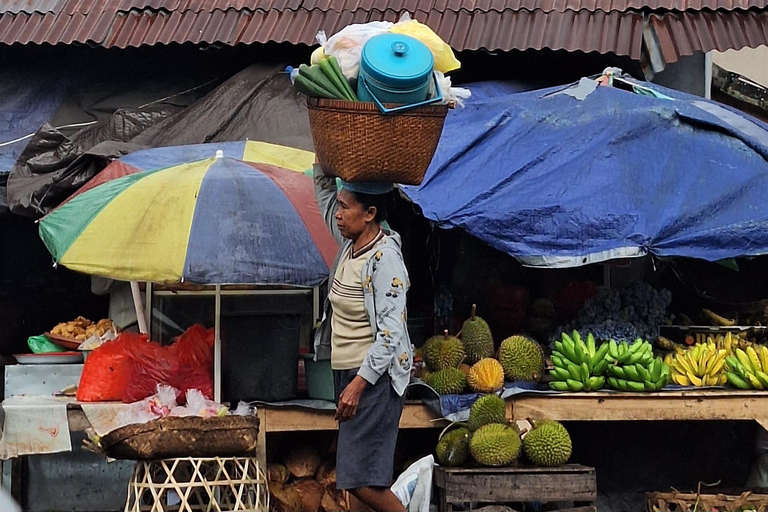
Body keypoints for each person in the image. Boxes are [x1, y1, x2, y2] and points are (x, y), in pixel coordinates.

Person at [313, 161, 412, 512]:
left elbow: (391, 332)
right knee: (362, 475)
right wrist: (327, 157)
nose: (337, 214)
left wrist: (358, 384)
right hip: (348, 374)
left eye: (345, 207)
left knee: (358, 480)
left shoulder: (385, 260)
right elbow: (325, 191)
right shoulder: (349, 243)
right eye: (338, 206)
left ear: (370, 213)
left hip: (374, 380)